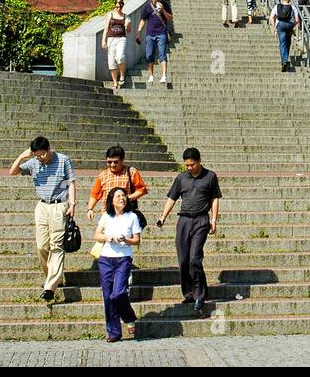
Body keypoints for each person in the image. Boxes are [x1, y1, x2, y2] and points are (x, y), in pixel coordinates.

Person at [155, 148, 222, 317]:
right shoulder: (181, 178)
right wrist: (163, 216)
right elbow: (172, 198)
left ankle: (199, 295)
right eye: (187, 165)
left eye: (192, 165)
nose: (189, 168)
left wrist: (214, 220)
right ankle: (189, 294)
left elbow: (215, 198)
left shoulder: (210, 176)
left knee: (195, 258)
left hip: (201, 220)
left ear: (199, 161)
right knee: (183, 259)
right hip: (184, 220)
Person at [9, 136, 76, 302]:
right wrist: (22, 157)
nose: (41, 158)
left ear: (49, 149)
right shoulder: (34, 163)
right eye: (37, 155)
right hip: (42, 206)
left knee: (57, 246)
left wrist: (72, 204)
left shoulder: (63, 160)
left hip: (59, 205)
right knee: (41, 246)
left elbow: (71, 183)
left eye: (42, 155)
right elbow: (13, 172)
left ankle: (50, 288)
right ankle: (52, 277)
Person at [94, 187, 141, 341]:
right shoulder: (107, 216)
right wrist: (108, 237)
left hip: (123, 258)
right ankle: (114, 332)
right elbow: (97, 235)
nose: (122, 198)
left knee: (118, 293)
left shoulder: (132, 216)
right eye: (118, 196)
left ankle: (128, 317)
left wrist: (125, 240)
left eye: (123, 196)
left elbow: (137, 239)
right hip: (106, 259)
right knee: (108, 296)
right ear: (112, 200)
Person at [85, 145, 148, 224]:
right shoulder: (103, 175)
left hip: (126, 215)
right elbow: (95, 194)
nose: (112, 165)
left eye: (115, 162)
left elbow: (142, 190)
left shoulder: (131, 172)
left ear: (122, 160)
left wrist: (127, 198)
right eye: (109, 162)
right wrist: (90, 209)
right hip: (108, 215)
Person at [136, 0, 173, 85]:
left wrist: (163, 10)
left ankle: (164, 75)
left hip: (161, 33)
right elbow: (143, 20)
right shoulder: (148, 7)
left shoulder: (164, 4)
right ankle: (151, 75)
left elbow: (170, 18)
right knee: (149, 55)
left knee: (162, 54)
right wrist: (139, 31)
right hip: (150, 33)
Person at [101, 0, 129, 89]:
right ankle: (115, 82)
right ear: (115, 6)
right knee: (111, 61)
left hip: (121, 38)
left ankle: (122, 76)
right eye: (117, 7)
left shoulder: (126, 16)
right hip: (111, 38)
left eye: (120, 7)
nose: (118, 9)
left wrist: (127, 25)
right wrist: (103, 40)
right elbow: (106, 28)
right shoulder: (110, 15)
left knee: (120, 57)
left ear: (122, 6)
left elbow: (129, 30)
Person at [270, 0, 302, 71]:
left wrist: (274, 28)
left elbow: (271, 17)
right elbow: (297, 20)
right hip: (289, 25)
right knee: (288, 42)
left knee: (282, 43)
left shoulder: (277, 6)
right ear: (289, 0)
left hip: (280, 25)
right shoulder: (293, 7)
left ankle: (284, 61)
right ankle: (285, 59)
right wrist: (293, 26)